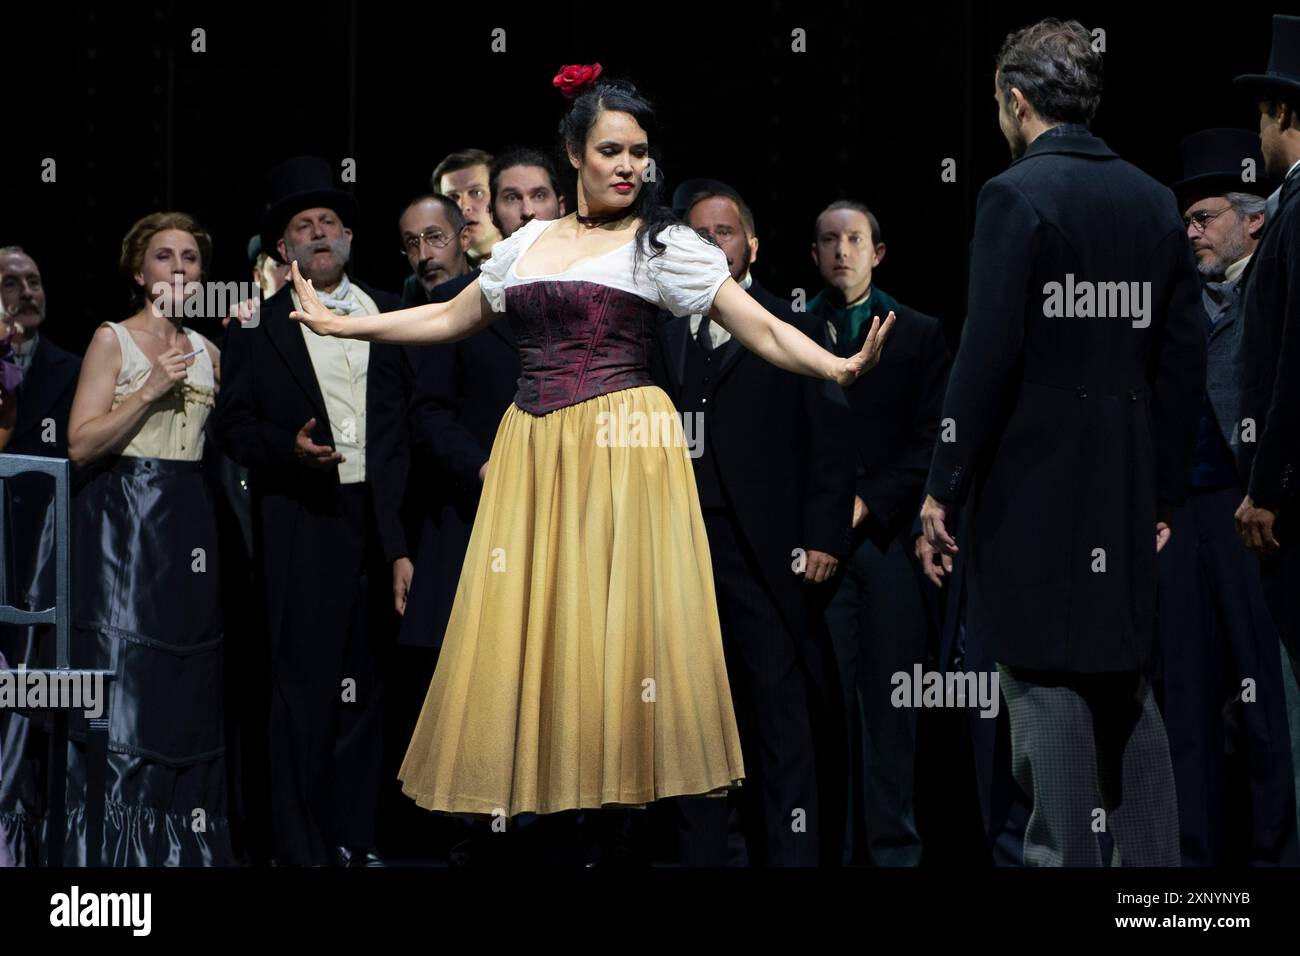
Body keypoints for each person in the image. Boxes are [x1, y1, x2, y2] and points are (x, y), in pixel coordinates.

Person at [288, 66, 894, 821]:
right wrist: (352, 323)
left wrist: (834, 363)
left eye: (639, 152)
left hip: (621, 451)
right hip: (535, 451)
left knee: (618, 644)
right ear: (574, 153)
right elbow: (449, 319)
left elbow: (760, 324)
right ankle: (550, 816)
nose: (628, 166)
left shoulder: (662, 243)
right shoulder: (530, 243)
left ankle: (619, 816)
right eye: (611, 150)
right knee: (542, 641)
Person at [920, 19, 1205, 866]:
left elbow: (985, 355)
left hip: (1035, 496)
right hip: (1120, 494)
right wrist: (1158, 495)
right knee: (1124, 692)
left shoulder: (1016, 194)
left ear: (1016, 100)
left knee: (1046, 697)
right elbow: (1180, 364)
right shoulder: (1155, 200)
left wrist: (942, 484)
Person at [654, 181, 855, 866]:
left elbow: (830, 439)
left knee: (777, 711)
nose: (711, 243)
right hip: (676, 550)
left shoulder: (789, 322)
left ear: (753, 245)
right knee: (688, 718)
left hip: (767, 553)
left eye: (725, 231)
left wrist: (826, 533)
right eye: (696, 233)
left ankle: (792, 857)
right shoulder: (656, 328)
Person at [213, 156, 406, 867]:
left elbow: (408, 420)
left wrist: (401, 539)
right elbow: (231, 426)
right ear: (284, 249)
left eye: (329, 222)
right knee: (304, 692)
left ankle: (357, 838)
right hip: (304, 520)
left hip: (381, 522)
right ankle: (300, 848)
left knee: (372, 684)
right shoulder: (257, 327)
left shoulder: (392, 311)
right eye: (303, 226)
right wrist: (287, 449)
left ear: (349, 237)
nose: (319, 233)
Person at [31, 212, 234, 865]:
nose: (178, 268)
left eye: (190, 259)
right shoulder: (112, 339)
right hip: (124, 526)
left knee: (183, 688)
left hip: (188, 528)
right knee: (126, 683)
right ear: (139, 271)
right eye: (163, 257)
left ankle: (180, 847)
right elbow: (80, 443)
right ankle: (112, 853)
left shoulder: (212, 351)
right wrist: (149, 388)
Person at [1158, 127, 1298, 866]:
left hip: (1252, 513)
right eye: (1186, 220)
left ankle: (1277, 855)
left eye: (1204, 216)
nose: (1191, 231)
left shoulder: (1277, 283)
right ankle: (1193, 868)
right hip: (1182, 514)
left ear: (1254, 219)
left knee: (1267, 707)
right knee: (1187, 699)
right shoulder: (1174, 299)